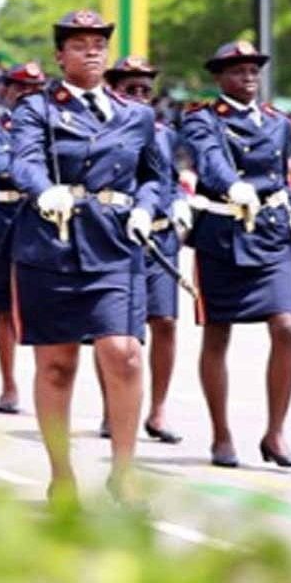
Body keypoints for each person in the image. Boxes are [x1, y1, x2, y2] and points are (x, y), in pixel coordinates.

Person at [10, 10, 163, 504]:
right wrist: (43, 190)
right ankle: (62, 474)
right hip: (52, 242)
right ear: (61, 56)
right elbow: (24, 160)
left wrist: (146, 209)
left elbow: (154, 176)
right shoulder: (38, 109)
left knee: (124, 353)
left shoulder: (135, 113)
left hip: (115, 244)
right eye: (79, 44)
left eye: (98, 43)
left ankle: (125, 468)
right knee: (57, 365)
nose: (91, 50)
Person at [181, 40, 291, 468]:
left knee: (288, 327)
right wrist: (231, 185)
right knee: (217, 333)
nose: (248, 78)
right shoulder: (203, 119)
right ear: (219, 77)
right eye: (237, 71)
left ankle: (275, 434)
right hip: (222, 234)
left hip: (271, 237)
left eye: (254, 70)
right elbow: (211, 160)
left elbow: (280, 178)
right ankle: (221, 435)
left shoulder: (278, 122)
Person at [103, 57, 190, 444]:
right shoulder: (107, 131)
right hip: (119, 236)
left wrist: (180, 203)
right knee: (119, 332)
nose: (139, 96)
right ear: (114, 90)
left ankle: (157, 409)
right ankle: (114, 407)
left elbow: (166, 179)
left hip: (160, 235)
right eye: (130, 89)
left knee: (166, 322)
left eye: (145, 90)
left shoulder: (164, 132)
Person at [0, 61, 48, 414]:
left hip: (40, 216)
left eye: (35, 89)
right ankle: (8, 384)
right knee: (4, 307)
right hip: (4, 217)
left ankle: (44, 382)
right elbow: (1, 166)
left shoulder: (53, 126)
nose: (27, 95)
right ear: (6, 90)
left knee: (39, 305)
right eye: (21, 88)